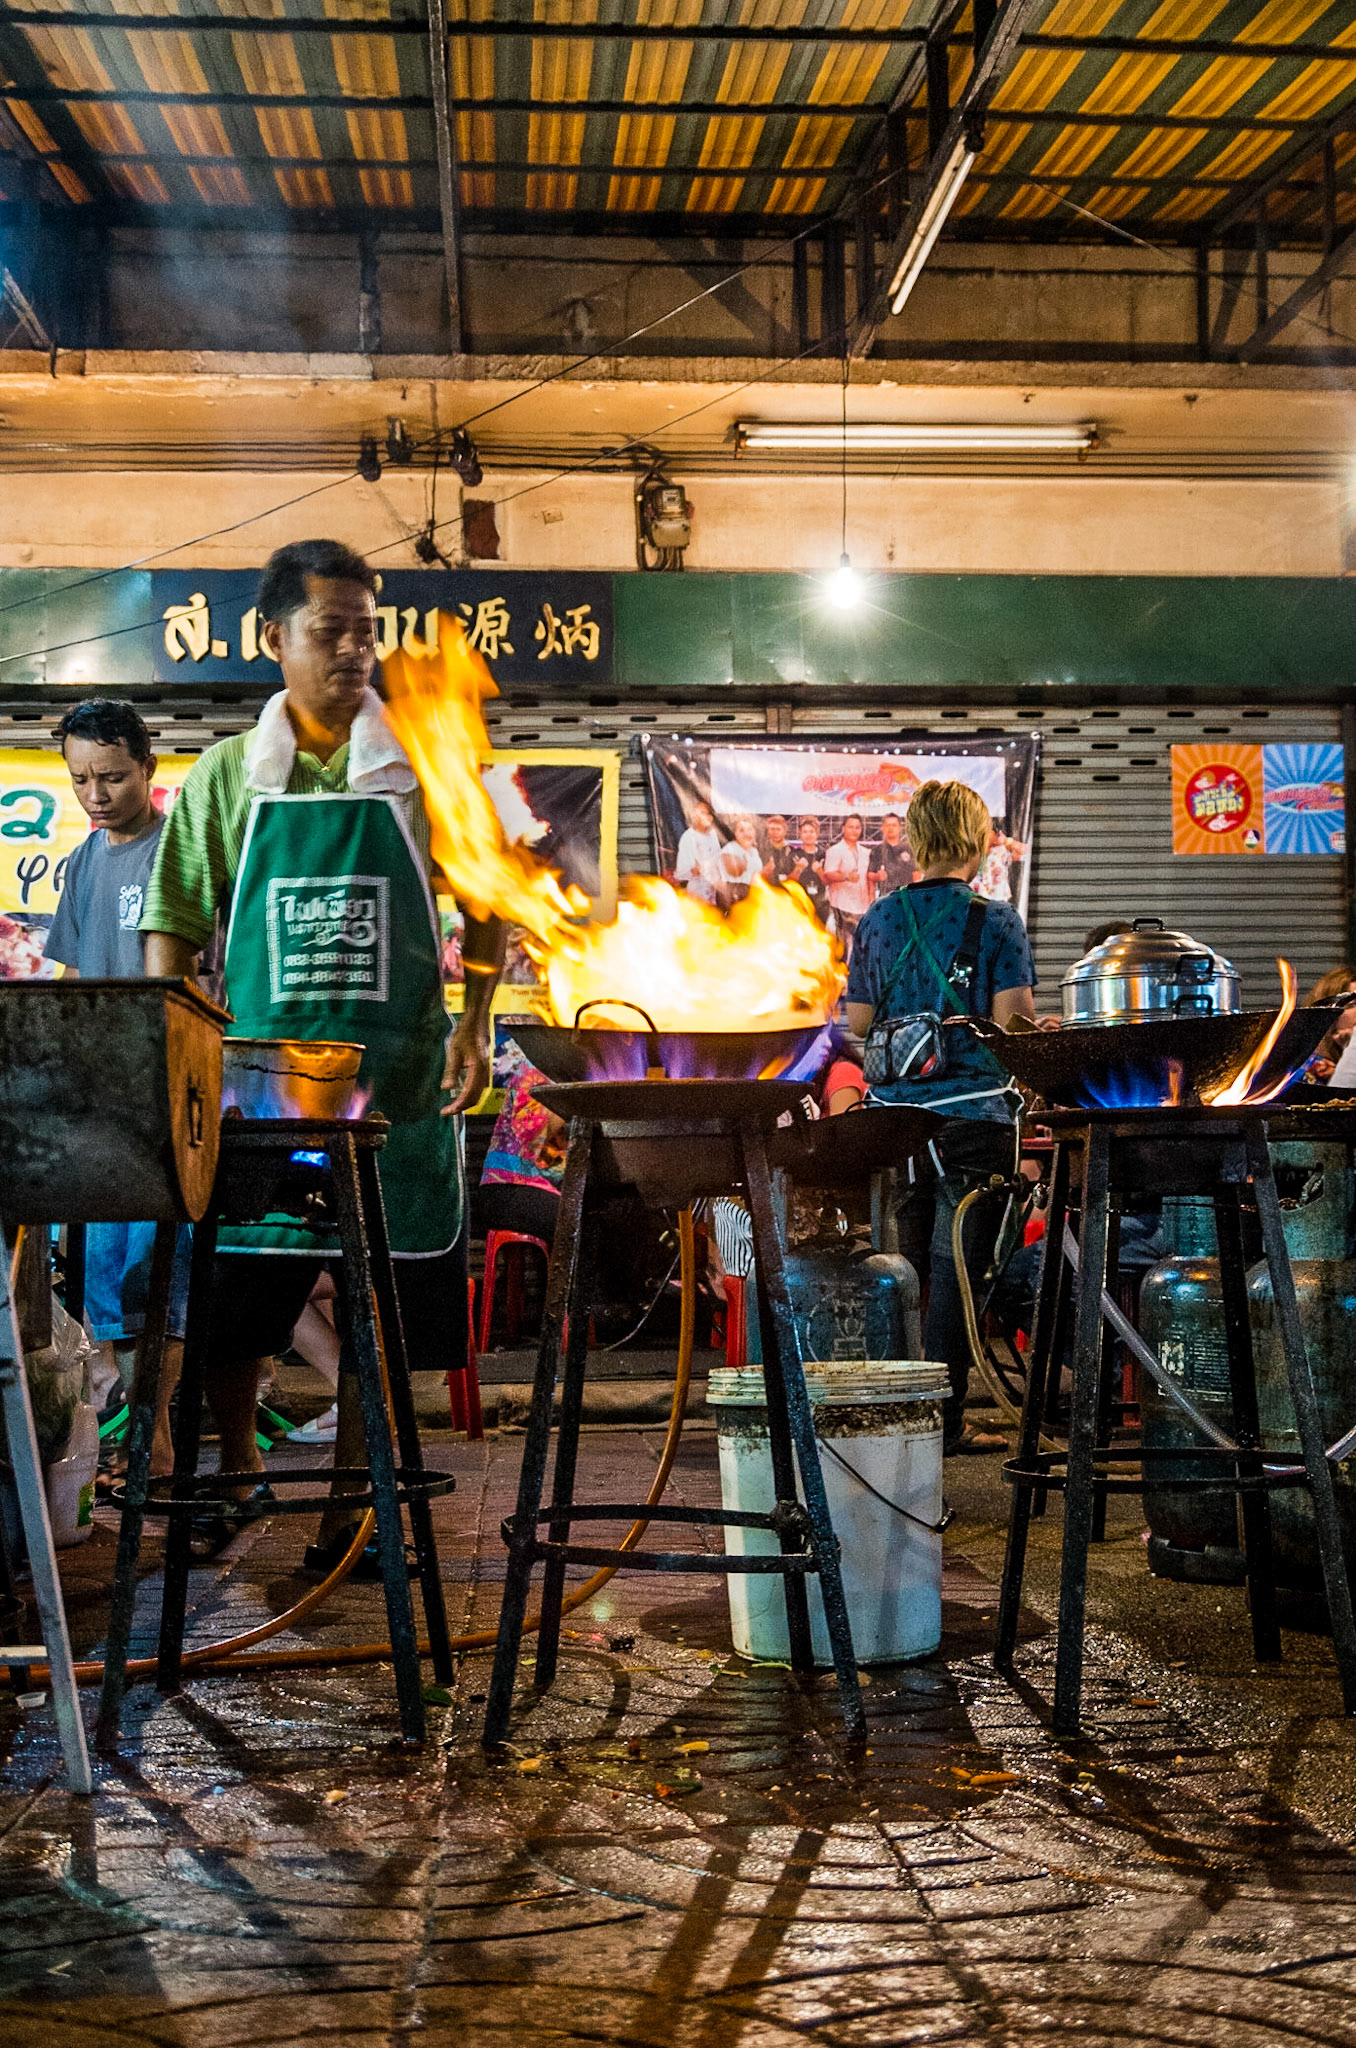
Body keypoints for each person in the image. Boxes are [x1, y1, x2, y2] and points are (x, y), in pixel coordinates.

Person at [141, 538, 502, 1557]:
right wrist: (178, 1031)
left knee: (382, 1299)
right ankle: (239, 1471)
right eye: (329, 630)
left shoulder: (423, 769)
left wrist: (475, 1022)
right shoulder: (228, 776)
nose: (354, 650)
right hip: (266, 1093)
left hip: (395, 1085)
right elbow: (174, 916)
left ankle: (357, 1498)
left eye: (366, 631)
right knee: (238, 1296)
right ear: (274, 637)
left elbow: (489, 901)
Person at [845, 779, 1037, 1454]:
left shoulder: (877, 919)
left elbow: (859, 1023)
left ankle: (895, 1418)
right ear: (979, 841)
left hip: (894, 1122)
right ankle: (943, 1425)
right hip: (974, 1120)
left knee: (898, 1270)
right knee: (958, 1274)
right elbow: (1011, 1024)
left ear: (916, 840)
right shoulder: (998, 921)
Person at [44, 700, 192, 1479]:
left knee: (155, 1275)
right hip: (99, 1107)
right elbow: (74, 977)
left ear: (148, 769)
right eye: (80, 780)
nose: (95, 795)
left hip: (166, 1100)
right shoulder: (82, 864)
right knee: (103, 1280)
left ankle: (153, 1442)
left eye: (111, 777)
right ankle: (134, 1436)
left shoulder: (180, 855)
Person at [823, 814, 873, 939]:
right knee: (844, 944)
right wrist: (846, 877)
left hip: (863, 906)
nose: (854, 830)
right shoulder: (834, 850)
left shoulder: (866, 852)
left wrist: (871, 900)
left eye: (857, 827)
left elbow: (868, 878)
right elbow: (828, 875)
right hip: (842, 906)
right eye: (850, 827)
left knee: (862, 943)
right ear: (843, 828)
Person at [674, 800, 724, 905]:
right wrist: (693, 871)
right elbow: (681, 871)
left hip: (713, 891)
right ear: (695, 817)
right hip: (696, 893)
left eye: (708, 813)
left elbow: (717, 861)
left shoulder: (713, 835)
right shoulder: (688, 837)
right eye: (702, 813)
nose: (706, 817)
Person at [793, 817, 831, 924]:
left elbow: (829, 882)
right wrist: (798, 869)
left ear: (817, 834)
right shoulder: (794, 854)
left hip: (821, 905)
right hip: (800, 903)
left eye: (811, 831)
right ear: (800, 834)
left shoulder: (825, 854)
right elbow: (789, 881)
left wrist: (819, 870)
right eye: (805, 832)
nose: (808, 835)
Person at [868, 811, 914, 898]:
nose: (891, 828)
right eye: (888, 825)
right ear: (882, 828)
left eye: (894, 825)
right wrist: (878, 876)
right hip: (885, 898)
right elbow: (870, 876)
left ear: (900, 828)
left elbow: (916, 875)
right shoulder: (876, 851)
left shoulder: (909, 849)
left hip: (907, 897)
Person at [720, 815, 764, 902]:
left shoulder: (754, 850)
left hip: (753, 894)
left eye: (750, 829)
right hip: (735, 896)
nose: (746, 833)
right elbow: (734, 872)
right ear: (734, 833)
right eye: (741, 830)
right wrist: (742, 865)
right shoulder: (730, 849)